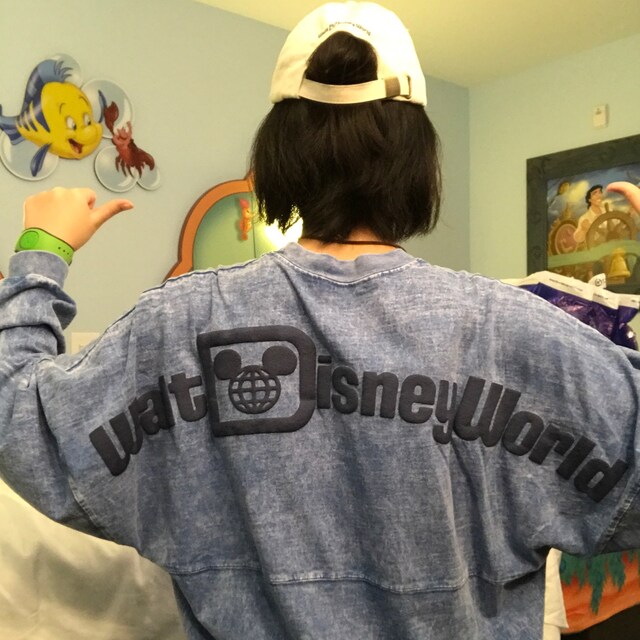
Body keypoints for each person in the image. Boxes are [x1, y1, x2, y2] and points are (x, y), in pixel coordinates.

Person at [1, 2, 640, 638]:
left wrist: (41, 251)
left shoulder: (178, 326)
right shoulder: (510, 331)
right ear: (418, 157)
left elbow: (19, 425)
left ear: (280, 151)